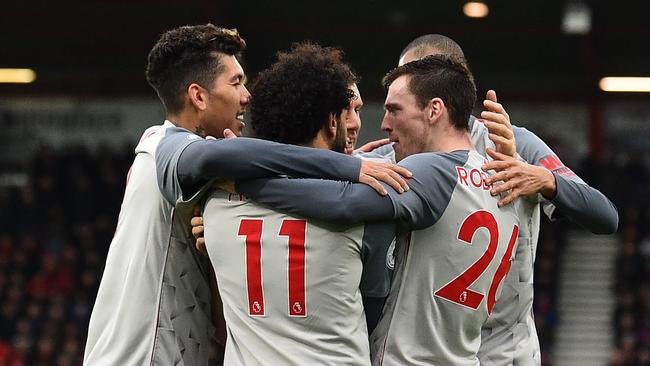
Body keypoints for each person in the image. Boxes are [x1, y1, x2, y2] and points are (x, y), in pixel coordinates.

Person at [84, 24, 407, 366]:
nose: (246, 96)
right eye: (236, 82)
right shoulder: (172, 152)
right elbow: (226, 157)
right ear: (198, 96)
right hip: (143, 353)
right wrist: (348, 168)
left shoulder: (217, 198)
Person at [234, 55, 521, 365]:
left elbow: (343, 203)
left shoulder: (432, 171)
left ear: (434, 110)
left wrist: (249, 186)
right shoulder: (505, 180)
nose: (384, 124)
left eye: (394, 110)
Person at [396, 34, 619, 365]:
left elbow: (604, 215)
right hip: (428, 347)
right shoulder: (393, 151)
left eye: (409, 77)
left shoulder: (515, 143)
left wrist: (546, 180)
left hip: (502, 349)